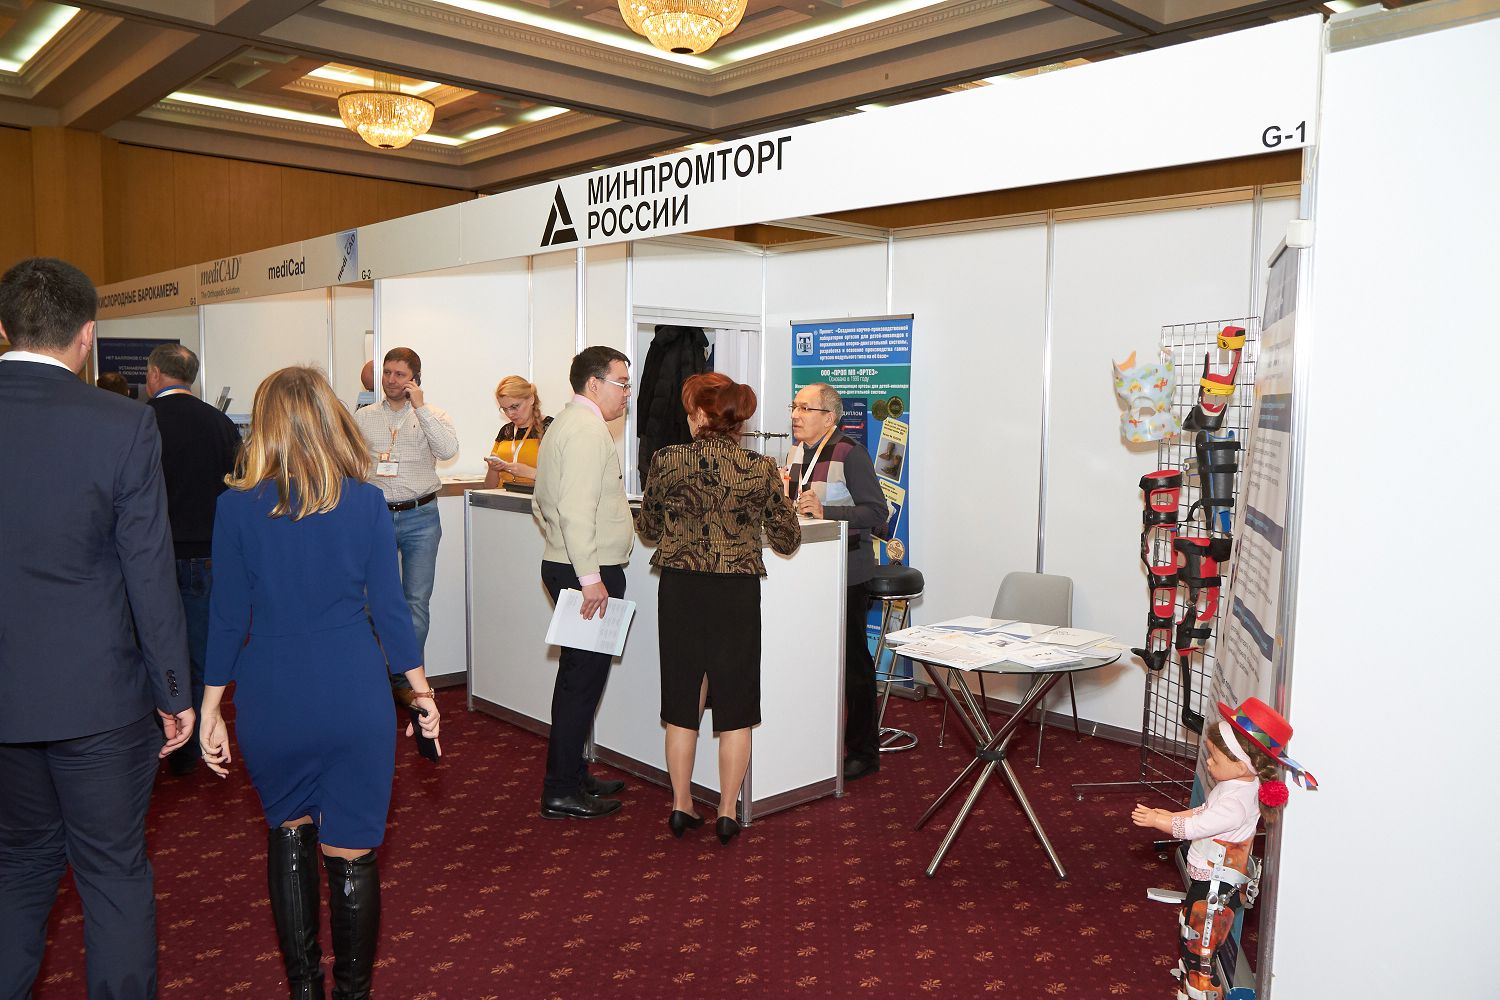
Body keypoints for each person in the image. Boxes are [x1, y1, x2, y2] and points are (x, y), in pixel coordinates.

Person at [200, 366, 442, 1000]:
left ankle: (304, 990)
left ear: (264, 426)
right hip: (353, 690)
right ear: (331, 419)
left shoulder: (235, 507)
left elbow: (227, 617)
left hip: (272, 695)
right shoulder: (364, 501)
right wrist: (421, 693)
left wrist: (210, 707)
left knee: (288, 830)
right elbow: (391, 609)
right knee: (352, 850)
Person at [0, 257, 194, 999]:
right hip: (100, 698)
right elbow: (149, 570)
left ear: (4, 329)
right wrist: (174, 690)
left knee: (17, 868)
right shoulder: (123, 422)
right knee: (111, 873)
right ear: (87, 335)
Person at [636, 373, 800, 845]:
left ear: (701, 415)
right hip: (736, 592)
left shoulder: (667, 460)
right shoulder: (759, 467)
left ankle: (681, 804)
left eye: (690, 410)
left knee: (682, 702)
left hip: (682, 590)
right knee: (736, 704)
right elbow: (787, 540)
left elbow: (648, 529)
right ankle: (727, 811)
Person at [1132, 697, 1316, 1000]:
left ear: (1241, 764)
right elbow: (1202, 812)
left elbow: (1195, 827)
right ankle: (1191, 982)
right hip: (1210, 879)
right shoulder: (1235, 786)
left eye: (1215, 759)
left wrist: (1158, 821)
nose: (1208, 763)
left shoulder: (1235, 804)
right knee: (1192, 932)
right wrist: (1169, 815)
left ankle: (1200, 990)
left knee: (1201, 946)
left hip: (1216, 886)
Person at [531, 345, 634, 819]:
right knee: (581, 684)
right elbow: (575, 510)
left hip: (572, 565)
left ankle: (572, 775)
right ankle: (560, 790)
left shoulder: (564, 423)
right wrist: (591, 579)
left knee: (578, 679)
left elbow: (543, 502)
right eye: (621, 383)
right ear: (594, 384)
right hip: (587, 573)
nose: (627, 393)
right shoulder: (588, 431)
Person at [146, 342, 242, 776]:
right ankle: (202, 738)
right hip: (208, 556)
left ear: (154, 374)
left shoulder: (142, 420)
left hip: (156, 558)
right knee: (205, 651)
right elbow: (237, 486)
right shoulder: (220, 423)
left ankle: (170, 741)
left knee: (159, 649)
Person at [786, 382, 890, 782]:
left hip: (847, 572)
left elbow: (877, 514)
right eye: (794, 407)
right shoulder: (797, 452)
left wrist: (827, 510)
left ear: (828, 417)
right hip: (807, 571)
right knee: (813, 660)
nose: (795, 415)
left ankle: (864, 752)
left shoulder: (850, 453)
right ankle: (817, 742)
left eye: (804, 408)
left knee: (853, 665)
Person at [352, 347, 458, 678]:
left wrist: (420, 407)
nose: (391, 380)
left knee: (416, 602)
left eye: (400, 374)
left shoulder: (434, 415)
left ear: (415, 379)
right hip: (376, 518)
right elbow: (349, 463)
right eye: (387, 372)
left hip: (421, 517)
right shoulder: (364, 417)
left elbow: (448, 450)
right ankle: (373, 674)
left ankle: (407, 679)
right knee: (369, 602)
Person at [481, 374, 552, 490]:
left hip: (534, 500)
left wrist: (530, 472)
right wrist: (493, 469)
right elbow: (489, 487)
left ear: (531, 399)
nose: (510, 414)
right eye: (504, 409)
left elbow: (563, 479)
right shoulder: (505, 431)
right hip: (503, 499)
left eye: (514, 406)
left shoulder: (551, 428)